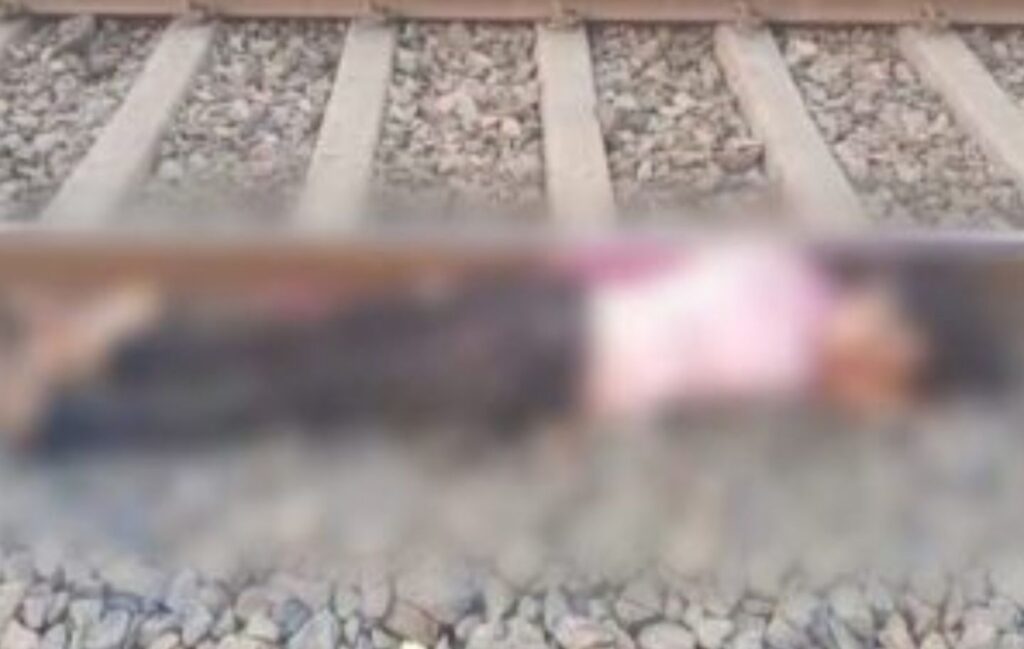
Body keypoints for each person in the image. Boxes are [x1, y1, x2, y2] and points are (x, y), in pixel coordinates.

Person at [0, 243, 1009, 453]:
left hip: (535, 340)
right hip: (535, 343)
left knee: (312, 373)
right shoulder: (791, 313)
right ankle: (92, 381)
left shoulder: (793, 310)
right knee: (311, 375)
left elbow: (623, 266)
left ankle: (95, 378)